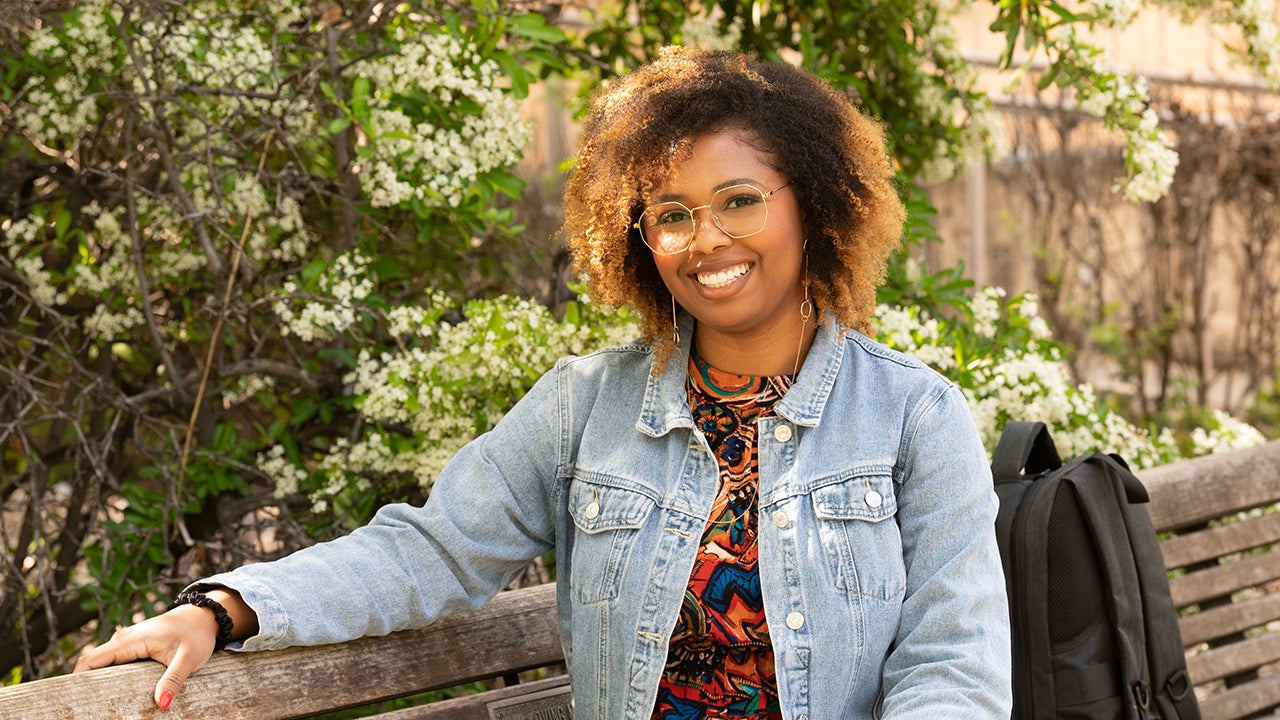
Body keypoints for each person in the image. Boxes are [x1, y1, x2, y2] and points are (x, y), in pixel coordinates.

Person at [75, 46, 1011, 719]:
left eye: (741, 201)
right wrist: (224, 609)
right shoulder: (586, 407)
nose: (709, 240)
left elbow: (954, 666)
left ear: (813, 203)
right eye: (672, 214)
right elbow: (431, 551)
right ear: (638, 241)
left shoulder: (911, 417)